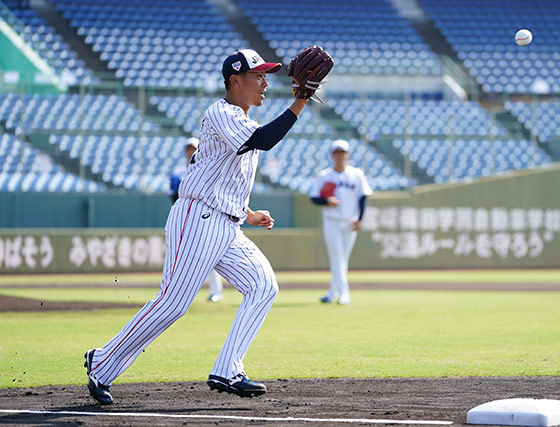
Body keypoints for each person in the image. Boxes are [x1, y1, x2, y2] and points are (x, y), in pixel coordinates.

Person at [84, 48, 312, 404]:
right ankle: (102, 363)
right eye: (258, 76)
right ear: (235, 81)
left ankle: (228, 368)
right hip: (198, 219)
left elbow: (214, 172)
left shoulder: (241, 122)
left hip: (226, 223)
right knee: (173, 304)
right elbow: (264, 141)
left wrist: (248, 212)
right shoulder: (221, 112)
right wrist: (299, 102)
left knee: (263, 285)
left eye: (267, 76)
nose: (265, 83)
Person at [309, 139, 372, 305]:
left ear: (348, 154)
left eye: (342, 152)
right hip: (332, 220)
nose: (340, 155)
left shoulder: (357, 174)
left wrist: (360, 218)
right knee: (337, 257)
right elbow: (314, 198)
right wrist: (326, 201)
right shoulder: (324, 175)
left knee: (342, 258)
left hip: (350, 221)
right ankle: (345, 294)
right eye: (337, 152)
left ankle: (331, 292)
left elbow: (363, 197)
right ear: (332, 155)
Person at [169, 137, 224, 302]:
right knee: (180, 257)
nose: (191, 151)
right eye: (189, 149)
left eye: (194, 148)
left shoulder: (209, 169)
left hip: (207, 218)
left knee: (209, 256)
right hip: (184, 218)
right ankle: (177, 294)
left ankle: (215, 291)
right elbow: (174, 197)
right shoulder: (179, 173)